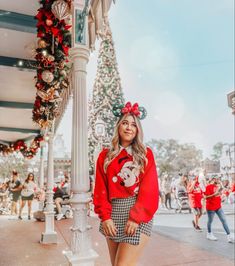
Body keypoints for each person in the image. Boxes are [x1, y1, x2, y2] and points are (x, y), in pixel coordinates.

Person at [93, 101, 159, 266]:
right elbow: (100, 189)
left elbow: (150, 190)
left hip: (137, 213)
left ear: (138, 130)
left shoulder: (145, 155)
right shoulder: (105, 156)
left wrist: (136, 218)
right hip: (112, 214)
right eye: (125, 123)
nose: (129, 128)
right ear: (118, 126)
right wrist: (105, 217)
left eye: (133, 125)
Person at [204, 176, 234, 243]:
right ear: (213, 179)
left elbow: (218, 196)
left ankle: (229, 236)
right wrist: (214, 195)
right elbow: (206, 197)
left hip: (218, 207)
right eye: (217, 179)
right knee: (210, 221)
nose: (218, 180)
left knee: (224, 220)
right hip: (211, 208)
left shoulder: (218, 187)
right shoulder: (208, 187)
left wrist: (222, 197)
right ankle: (209, 234)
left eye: (219, 179)